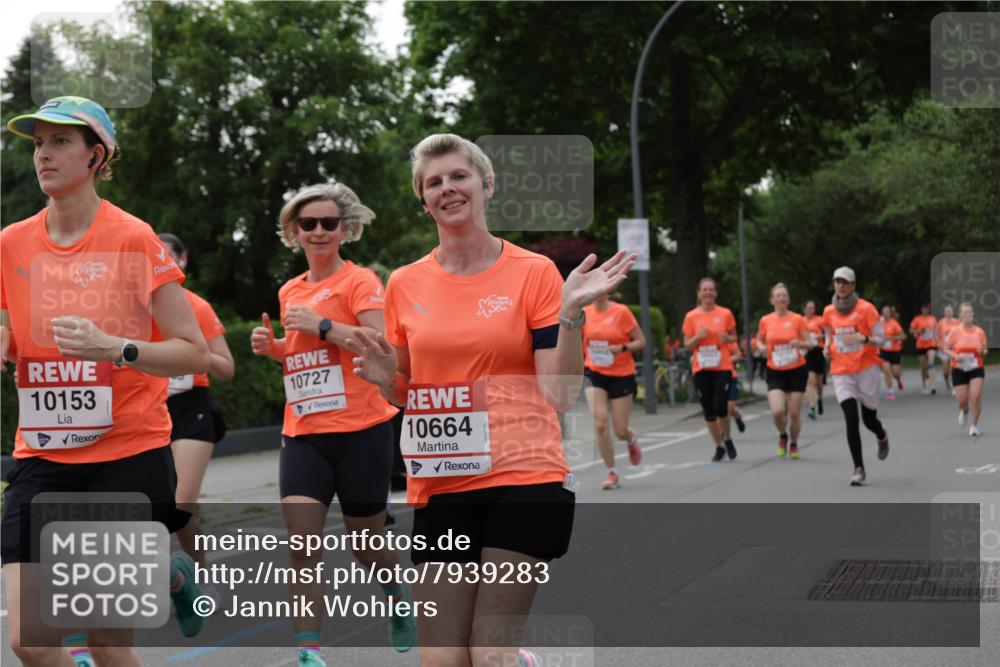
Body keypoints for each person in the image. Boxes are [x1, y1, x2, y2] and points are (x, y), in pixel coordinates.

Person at [349, 133, 633, 667]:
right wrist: (387, 379)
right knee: (443, 660)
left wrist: (571, 315)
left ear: (487, 186)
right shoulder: (405, 284)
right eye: (434, 182)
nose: (447, 188)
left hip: (524, 478)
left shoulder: (533, 273)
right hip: (442, 483)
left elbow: (558, 393)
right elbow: (408, 393)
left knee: (489, 652)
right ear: (422, 197)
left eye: (458, 176)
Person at [2, 96, 210, 666]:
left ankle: (168, 573)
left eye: (61, 142)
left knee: (104, 641)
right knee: (31, 642)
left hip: (125, 455)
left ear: (96, 156)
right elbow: (9, 327)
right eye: (39, 142)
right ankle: (170, 573)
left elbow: (191, 351)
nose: (44, 153)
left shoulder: (133, 238)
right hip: (42, 455)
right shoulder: (11, 242)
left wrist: (114, 348)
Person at [250, 183, 415, 666]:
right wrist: (275, 348)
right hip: (303, 433)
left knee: (365, 540)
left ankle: (396, 594)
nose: (318, 231)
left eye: (328, 223)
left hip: (362, 430)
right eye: (308, 223)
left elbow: (380, 345)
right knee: (302, 544)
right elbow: (305, 356)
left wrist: (322, 324)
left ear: (345, 229)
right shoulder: (290, 290)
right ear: (293, 231)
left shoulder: (360, 281)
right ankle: (309, 651)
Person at [158, 233, 234, 583]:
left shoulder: (196, 307)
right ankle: (179, 576)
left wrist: (197, 352)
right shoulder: (135, 307)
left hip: (191, 408)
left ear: (182, 260)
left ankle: (199, 578)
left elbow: (227, 369)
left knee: (181, 504)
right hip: (147, 409)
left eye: (167, 257)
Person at [821, 267, 890, 486]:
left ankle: (881, 435)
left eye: (844, 282)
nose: (840, 286)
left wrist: (863, 338)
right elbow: (828, 334)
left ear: (853, 285)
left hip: (866, 368)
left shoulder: (866, 309)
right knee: (851, 418)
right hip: (842, 371)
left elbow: (881, 339)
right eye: (837, 282)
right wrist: (826, 346)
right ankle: (858, 468)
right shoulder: (829, 311)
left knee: (869, 419)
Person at [581, 293, 646, 490]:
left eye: (603, 290)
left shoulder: (621, 312)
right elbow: (577, 341)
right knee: (600, 423)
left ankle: (630, 438)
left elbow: (641, 341)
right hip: (594, 372)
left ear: (608, 291)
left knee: (620, 430)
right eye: (595, 290)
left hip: (621, 373)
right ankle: (612, 472)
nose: (599, 295)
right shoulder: (584, 312)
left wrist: (622, 347)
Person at [682, 278, 738, 462]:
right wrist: (698, 336)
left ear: (715, 293)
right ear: (698, 293)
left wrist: (726, 339)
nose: (707, 293)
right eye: (704, 290)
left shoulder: (725, 313)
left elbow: (733, 337)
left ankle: (727, 438)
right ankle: (718, 446)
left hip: (722, 366)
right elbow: (688, 345)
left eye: (711, 290)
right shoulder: (691, 316)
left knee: (721, 405)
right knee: (708, 410)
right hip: (701, 368)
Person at [756, 284, 813, 459]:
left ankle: (794, 443)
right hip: (775, 370)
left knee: (794, 413)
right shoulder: (766, 320)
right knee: (778, 411)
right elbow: (758, 340)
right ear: (772, 300)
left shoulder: (798, 319)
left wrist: (800, 344)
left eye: (784, 295)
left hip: (796, 369)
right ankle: (783, 434)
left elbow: (810, 343)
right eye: (778, 295)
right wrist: (762, 348)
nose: (781, 298)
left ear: (788, 299)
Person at [942, 303, 988, 438]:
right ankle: (964, 410)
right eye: (965, 312)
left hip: (976, 368)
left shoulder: (979, 332)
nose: (968, 314)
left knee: (976, 396)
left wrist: (982, 351)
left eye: (970, 312)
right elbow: (945, 348)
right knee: (962, 400)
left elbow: (985, 350)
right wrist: (956, 356)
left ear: (973, 315)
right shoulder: (955, 331)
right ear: (960, 316)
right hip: (959, 369)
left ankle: (974, 426)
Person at [803, 300, 826, 420]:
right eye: (809, 308)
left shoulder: (819, 320)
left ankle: (820, 399)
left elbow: (828, 333)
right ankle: (812, 407)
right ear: (804, 309)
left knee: (819, 381)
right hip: (808, 352)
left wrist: (820, 336)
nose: (811, 310)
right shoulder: (801, 321)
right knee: (810, 380)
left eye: (813, 308)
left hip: (818, 350)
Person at [909, 302, 939, 394]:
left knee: (931, 362)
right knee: (923, 366)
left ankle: (933, 385)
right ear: (921, 309)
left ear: (929, 309)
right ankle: (924, 385)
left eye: (927, 308)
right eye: (924, 308)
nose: (925, 310)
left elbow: (936, 331)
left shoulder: (933, 319)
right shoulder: (917, 319)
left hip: (931, 344)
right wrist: (919, 331)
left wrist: (937, 340)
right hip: (921, 345)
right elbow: (910, 330)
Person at [878, 305, 906, 400]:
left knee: (895, 373)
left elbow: (903, 336)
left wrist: (891, 338)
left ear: (890, 313)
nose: (885, 313)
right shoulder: (879, 323)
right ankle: (890, 391)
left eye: (887, 311)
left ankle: (898, 380)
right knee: (887, 370)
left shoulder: (894, 323)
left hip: (895, 350)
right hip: (883, 350)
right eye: (884, 311)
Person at [937, 305, 960, 395]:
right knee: (945, 372)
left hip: (953, 348)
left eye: (950, 311)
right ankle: (947, 380)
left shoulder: (957, 322)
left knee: (952, 368)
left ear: (952, 312)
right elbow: (936, 335)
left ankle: (954, 386)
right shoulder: (941, 322)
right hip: (944, 348)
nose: (948, 313)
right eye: (947, 311)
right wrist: (939, 344)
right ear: (944, 313)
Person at [725, 341, 746, 434]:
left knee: (730, 408)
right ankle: (723, 432)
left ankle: (737, 416)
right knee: (720, 407)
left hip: (730, 376)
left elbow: (738, 355)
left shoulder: (728, 341)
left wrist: (724, 360)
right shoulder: (707, 342)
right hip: (713, 377)